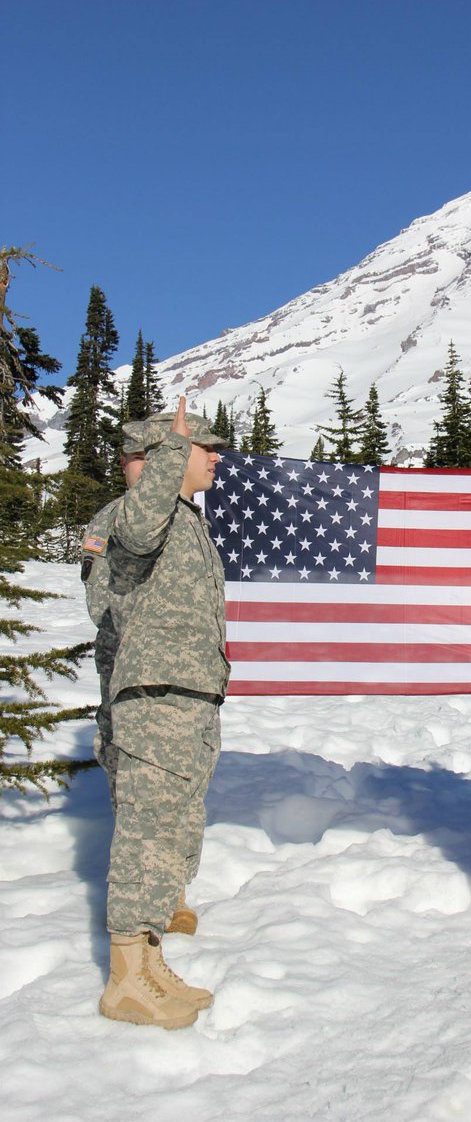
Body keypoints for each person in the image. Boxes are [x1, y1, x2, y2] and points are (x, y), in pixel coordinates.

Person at [80, 398, 229, 1029]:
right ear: (162, 457)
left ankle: (148, 959)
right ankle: (126, 981)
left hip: (186, 691)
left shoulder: (185, 518)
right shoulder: (134, 514)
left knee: (169, 822)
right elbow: (112, 594)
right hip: (153, 693)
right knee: (145, 832)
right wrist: (169, 456)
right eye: (205, 447)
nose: (217, 457)